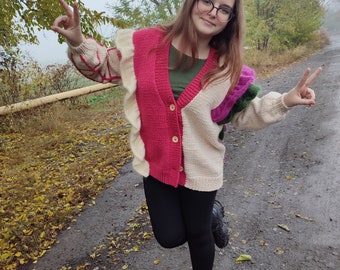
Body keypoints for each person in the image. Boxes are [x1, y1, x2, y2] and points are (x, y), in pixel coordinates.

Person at [51, 0, 322, 269]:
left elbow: (243, 113)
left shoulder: (228, 68)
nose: (213, 12)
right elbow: (104, 67)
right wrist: (78, 41)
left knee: (199, 234)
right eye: (207, 1)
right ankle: (214, 213)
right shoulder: (146, 44)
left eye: (224, 9)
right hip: (155, 164)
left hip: (203, 167)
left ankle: (207, 217)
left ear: (231, 19)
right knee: (170, 237)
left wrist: (285, 100)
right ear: (192, 3)